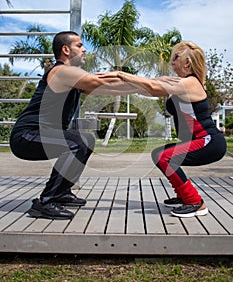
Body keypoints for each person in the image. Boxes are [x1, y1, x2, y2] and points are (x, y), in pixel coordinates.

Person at [10, 31, 138, 220]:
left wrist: (154, 88)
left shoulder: (72, 77)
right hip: (27, 135)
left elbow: (107, 88)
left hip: (41, 134)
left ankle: (61, 193)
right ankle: (46, 201)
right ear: (66, 49)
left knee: (85, 140)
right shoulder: (61, 71)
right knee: (76, 143)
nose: (84, 49)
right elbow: (99, 81)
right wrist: (151, 83)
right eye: (79, 45)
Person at [101, 41, 227, 218]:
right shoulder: (177, 83)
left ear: (187, 63)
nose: (172, 61)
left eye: (176, 57)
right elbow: (144, 89)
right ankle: (183, 195)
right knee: (159, 154)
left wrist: (120, 73)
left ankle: (195, 202)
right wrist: (99, 86)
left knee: (164, 157)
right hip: (200, 141)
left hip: (209, 141)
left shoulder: (191, 83)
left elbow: (151, 86)